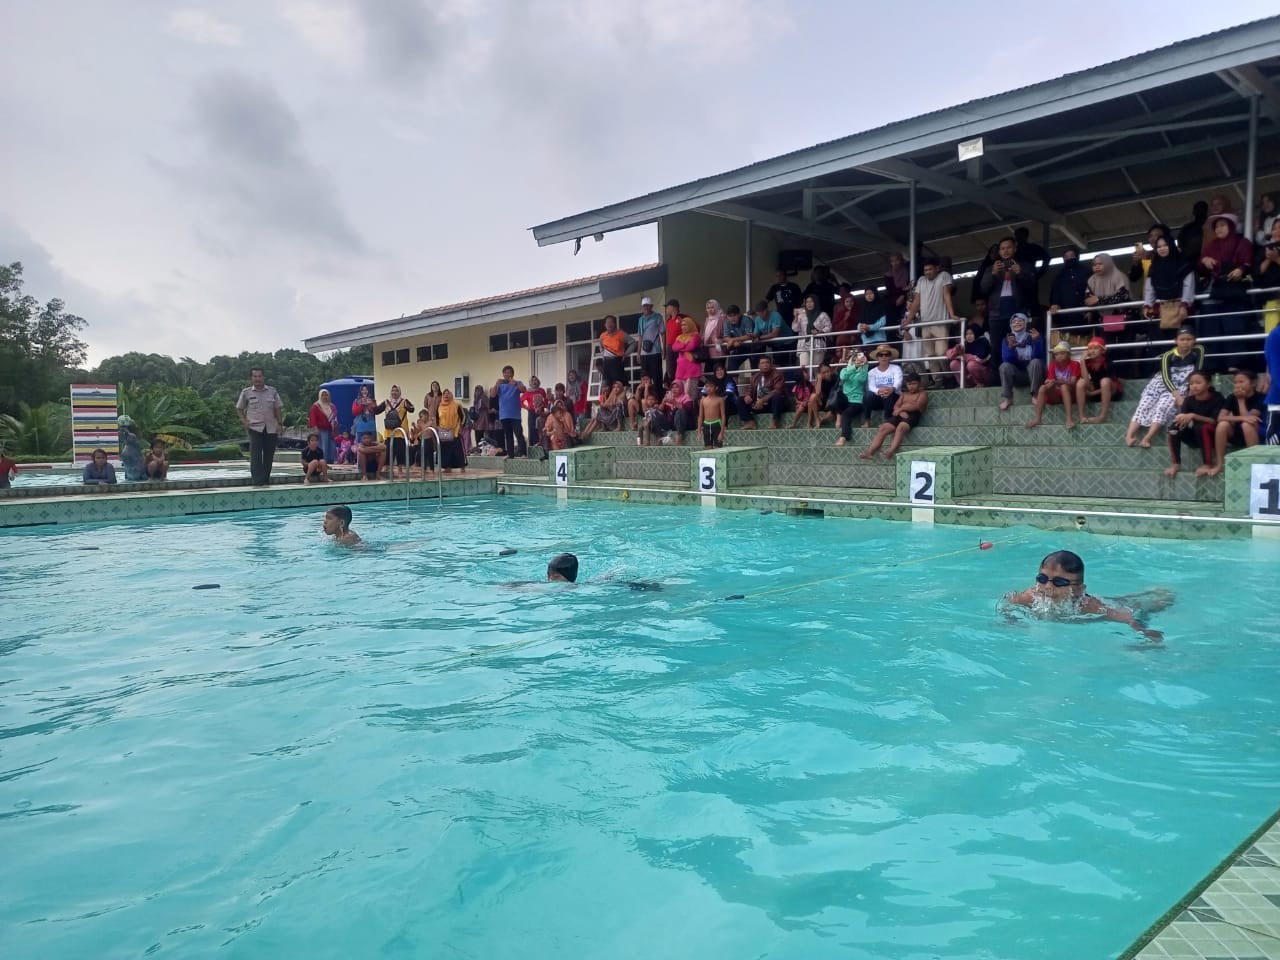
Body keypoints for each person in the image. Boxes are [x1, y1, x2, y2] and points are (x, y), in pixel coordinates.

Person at [1001, 550, 1168, 642]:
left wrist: (1143, 633)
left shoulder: (1090, 606)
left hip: (1109, 604)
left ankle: (1158, 595)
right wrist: (1011, 620)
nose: (1048, 587)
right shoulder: (1031, 596)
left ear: (1080, 589)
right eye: (1042, 579)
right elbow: (1008, 601)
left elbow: (1127, 617)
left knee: (1138, 605)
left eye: (1059, 582)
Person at [1126, 326, 1206, 447]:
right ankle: (1129, 436)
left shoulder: (1198, 350)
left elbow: (1197, 371)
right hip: (1162, 384)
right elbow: (1166, 377)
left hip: (1182, 384)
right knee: (1144, 405)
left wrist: (1189, 392)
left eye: (1189, 339)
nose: (1185, 342)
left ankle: (1147, 438)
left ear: (1194, 340)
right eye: (1182, 339)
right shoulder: (1168, 355)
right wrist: (1178, 396)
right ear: (1176, 341)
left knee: (1163, 406)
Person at [1198, 213, 1255, 373]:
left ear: (1231, 227)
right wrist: (1204, 261)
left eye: (1223, 225)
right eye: (1216, 226)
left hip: (1235, 291)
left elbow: (1248, 262)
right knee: (1212, 329)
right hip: (1217, 290)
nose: (1219, 229)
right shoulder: (1211, 245)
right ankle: (1213, 366)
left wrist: (1241, 269)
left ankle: (1235, 363)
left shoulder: (1242, 243)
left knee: (1234, 327)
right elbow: (1201, 267)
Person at [906, 257, 958, 385]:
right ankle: (938, 381)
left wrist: (952, 314)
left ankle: (948, 376)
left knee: (941, 353)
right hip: (925, 323)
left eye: (930, 269)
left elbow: (947, 294)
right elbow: (916, 301)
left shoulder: (944, 276)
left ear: (937, 268)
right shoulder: (921, 280)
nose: (927, 272)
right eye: (925, 270)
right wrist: (908, 320)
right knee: (930, 355)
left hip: (941, 322)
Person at [979, 236, 1038, 347]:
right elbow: (984, 289)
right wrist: (993, 274)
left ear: (1015, 249)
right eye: (1002, 248)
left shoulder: (1025, 266)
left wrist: (1020, 272)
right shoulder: (991, 268)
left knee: (1021, 344)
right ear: (999, 251)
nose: (1005, 251)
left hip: (1018, 312)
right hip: (996, 314)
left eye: (1009, 247)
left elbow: (1031, 286)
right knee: (996, 347)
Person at [1166, 370, 1225, 479]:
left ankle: (1207, 464)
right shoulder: (1188, 400)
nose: (1194, 386)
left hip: (1214, 436)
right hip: (1195, 437)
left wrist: (1193, 416)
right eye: (1191, 384)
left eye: (1198, 383)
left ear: (1208, 384)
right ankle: (1176, 464)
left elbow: (1215, 421)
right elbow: (1183, 419)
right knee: (1173, 428)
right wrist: (1180, 419)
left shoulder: (1217, 398)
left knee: (1201, 427)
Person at [860, 372, 927, 459]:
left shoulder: (922, 394)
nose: (911, 386)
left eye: (914, 384)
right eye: (909, 384)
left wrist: (901, 409)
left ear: (919, 383)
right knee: (884, 428)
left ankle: (890, 451)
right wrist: (899, 411)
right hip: (899, 414)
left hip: (912, 416)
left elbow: (917, 406)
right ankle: (870, 452)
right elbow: (896, 406)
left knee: (901, 427)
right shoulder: (904, 394)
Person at [236, 366, 284, 485]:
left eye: (259, 376)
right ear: (251, 378)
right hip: (254, 427)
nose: (257, 379)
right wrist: (245, 422)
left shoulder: (272, 391)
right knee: (256, 455)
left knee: (269, 455)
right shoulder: (246, 392)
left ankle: (265, 479)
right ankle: (257, 481)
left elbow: (277, 408)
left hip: (271, 427)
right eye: (255, 376)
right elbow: (239, 408)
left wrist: (280, 423)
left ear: (263, 377)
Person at [1211, 370, 1265, 475]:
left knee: (1247, 424)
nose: (1238, 385)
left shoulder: (1260, 398)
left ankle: (1254, 463)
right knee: (1222, 425)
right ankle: (1220, 464)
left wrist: (1240, 401)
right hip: (1237, 433)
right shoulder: (1232, 397)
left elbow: (1250, 419)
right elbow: (1220, 418)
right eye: (1236, 382)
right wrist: (1240, 418)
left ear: (1253, 383)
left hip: (1255, 434)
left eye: (1241, 382)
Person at [1142, 236, 1195, 333]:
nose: (1162, 249)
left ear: (1171, 245)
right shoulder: (1154, 266)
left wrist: (1185, 305)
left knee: (1183, 340)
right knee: (1164, 343)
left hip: (1182, 310)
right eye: (1159, 247)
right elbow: (1150, 288)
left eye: (1165, 245)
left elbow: (1188, 286)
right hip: (1162, 312)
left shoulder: (1183, 263)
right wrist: (1148, 305)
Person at [1026, 343, 1082, 429]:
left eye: (1062, 353)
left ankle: (1069, 419)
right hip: (1056, 396)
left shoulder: (1075, 364)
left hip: (1070, 395)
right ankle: (1037, 419)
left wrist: (1056, 382)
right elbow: (1050, 381)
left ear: (1069, 354)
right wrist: (1048, 384)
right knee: (1042, 388)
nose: (1059, 356)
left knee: (1064, 387)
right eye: (1056, 354)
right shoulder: (1053, 365)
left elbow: (1073, 382)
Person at [997, 314, 1045, 411]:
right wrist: (1011, 348)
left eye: (1020, 320)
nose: (1017, 322)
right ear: (1010, 325)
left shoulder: (1033, 336)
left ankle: (1035, 395)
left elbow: (1039, 357)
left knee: (1036, 362)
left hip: (1034, 375)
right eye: (1014, 321)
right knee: (1004, 366)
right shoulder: (1006, 340)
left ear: (1026, 323)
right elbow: (1007, 360)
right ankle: (1008, 398)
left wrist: (1036, 341)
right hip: (1017, 376)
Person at [1076, 337, 1124, 424]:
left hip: (1112, 391)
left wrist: (1092, 393)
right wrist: (1082, 361)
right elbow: (1086, 380)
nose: (1092, 351)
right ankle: (1081, 416)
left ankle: (1102, 416)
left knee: (1104, 381)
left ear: (1102, 351)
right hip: (1096, 391)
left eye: (1096, 348)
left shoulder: (1108, 363)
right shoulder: (1088, 363)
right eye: (1090, 349)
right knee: (1080, 382)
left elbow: (1111, 383)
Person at [375, 385, 415, 479]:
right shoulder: (386, 402)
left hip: (400, 432)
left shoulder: (404, 402)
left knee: (400, 451)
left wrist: (408, 406)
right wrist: (372, 404)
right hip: (389, 432)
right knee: (388, 450)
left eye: (396, 390)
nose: (394, 392)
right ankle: (387, 468)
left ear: (400, 392)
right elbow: (376, 411)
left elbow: (412, 409)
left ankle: (400, 469)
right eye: (392, 390)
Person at [491, 365, 528, 459]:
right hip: (504, 414)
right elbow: (492, 395)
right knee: (508, 435)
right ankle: (510, 454)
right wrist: (496, 385)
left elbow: (524, 390)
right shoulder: (501, 385)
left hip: (515, 414)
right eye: (506, 372)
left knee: (519, 434)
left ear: (512, 374)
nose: (507, 374)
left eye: (509, 372)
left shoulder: (517, 382)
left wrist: (515, 384)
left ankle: (523, 453)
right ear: (503, 374)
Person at [741, 356, 788, 429]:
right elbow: (749, 390)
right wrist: (747, 396)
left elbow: (777, 390)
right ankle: (750, 422)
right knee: (740, 400)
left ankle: (775, 422)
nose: (765, 365)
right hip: (758, 405)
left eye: (767, 363)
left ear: (771, 364)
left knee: (777, 397)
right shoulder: (755, 377)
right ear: (759, 366)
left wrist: (763, 400)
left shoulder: (777, 374)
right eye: (762, 363)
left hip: (772, 405)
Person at [834, 350, 869, 447]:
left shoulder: (863, 370)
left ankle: (843, 437)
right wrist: (854, 367)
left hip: (856, 401)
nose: (855, 361)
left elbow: (862, 379)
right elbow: (843, 377)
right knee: (839, 394)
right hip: (845, 400)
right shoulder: (845, 370)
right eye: (853, 360)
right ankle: (838, 416)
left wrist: (864, 365)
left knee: (847, 414)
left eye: (857, 359)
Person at [862, 345, 903, 427]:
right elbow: (871, 386)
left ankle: (888, 420)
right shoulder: (872, 372)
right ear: (877, 358)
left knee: (888, 394)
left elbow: (898, 382)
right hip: (878, 398)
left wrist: (891, 389)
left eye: (886, 354)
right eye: (881, 355)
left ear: (890, 357)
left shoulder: (896, 368)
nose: (884, 357)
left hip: (893, 397)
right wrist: (879, 391)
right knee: (867, 395)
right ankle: (867, 420)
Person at [431, 388, 468, 474]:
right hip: (444, 431)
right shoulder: (439, 407)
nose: (446, 395)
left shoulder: (457, 405)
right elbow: (437, 419)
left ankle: (462, 466)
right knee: (445, 450)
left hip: (455, 430)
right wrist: (438, 427)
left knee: (457, 450)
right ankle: (447, 467)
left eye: (448, 393)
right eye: (444, 394)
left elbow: (463, 417)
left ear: (451, 395)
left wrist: (460, 427)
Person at [1048, 245, 1091, 316]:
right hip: (1065, 314)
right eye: (1066, 256)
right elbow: (1055, 293)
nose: (1069, 258)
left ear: (1077, 256)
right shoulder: (1059, 275)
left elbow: (1092, 290)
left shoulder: (1086, 271)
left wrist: (1091, 310)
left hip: (1084, 313)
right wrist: (1055, 304)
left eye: (1071, 255)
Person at [672, 316, 703, 397]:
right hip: (680, 370)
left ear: (690, 325)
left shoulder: (695, 336)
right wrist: (684, 344)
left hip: (692, 369)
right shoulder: (679, 337)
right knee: (680, 394)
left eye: (685, 325)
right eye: (682, 325)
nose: (683, 327)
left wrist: (681, 347)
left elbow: (691, 346)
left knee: (689, 395)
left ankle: (691, 409)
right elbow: (674, 348)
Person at [637, 296, 665, 385]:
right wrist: (638, 353)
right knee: (645, 377)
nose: (645, 307)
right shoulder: (640, 319)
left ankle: (657, 396)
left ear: (651, 306)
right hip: (644, 353)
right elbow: (640, 336)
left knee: (656, 376)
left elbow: (663, 333)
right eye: (644, 306)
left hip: (655, 351)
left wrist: (664, 349)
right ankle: (646, 397)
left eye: (647, 305)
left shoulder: (657, 317)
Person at [308, 388, 340, 463]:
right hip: (321, 429)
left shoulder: (332, 406)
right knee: (323, 445)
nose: (324, 397)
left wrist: (335, 428)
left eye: (326, 395)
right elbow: (313, 418)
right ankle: (322, 460)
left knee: (331, 445)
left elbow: (335, 417)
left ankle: (331, 460)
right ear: (320, 396)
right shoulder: (316, 406)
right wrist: (315, 428)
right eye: (323, 395)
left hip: (330, 429)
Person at [598, 315, 630, 389]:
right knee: (606, 384)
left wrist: (625, 354)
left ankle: (622, 399)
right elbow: (601, 347)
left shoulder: (620, 334)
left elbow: (633, 343)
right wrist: (604, 356)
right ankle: (606, 399)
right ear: (605, 325)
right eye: (607, 322)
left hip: (617, 361)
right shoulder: (602, 335)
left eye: (611, 322)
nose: (609, 324)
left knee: (619, 383)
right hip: (607, 362)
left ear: (614, 324)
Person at [721, 304, 756, 371]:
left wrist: (733, 340)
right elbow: (725, 337)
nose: (732, 318)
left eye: (734, 315)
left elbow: (749, 336)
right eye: (730, 316)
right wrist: (733, 342)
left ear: (739, 314)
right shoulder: (727, 322)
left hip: (753, 346)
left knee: (755, 368)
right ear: (727, 316)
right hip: (741, 346)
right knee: (732, 362)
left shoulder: (746, 320)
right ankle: (733, 381)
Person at [663, 299, 689, 383]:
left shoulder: (682, 318)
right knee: (670, 370)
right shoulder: (668, 321)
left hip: (679, 347)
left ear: (673, 307)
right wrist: (665, 349)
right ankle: (672, 386)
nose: (666, 309)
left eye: (667, 307)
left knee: (680, 368)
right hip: (669, 347)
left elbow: (691, 330)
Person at [1176, 200, 1209, 266]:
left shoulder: (1213, 225)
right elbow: (1180, 243)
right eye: (1198, 209)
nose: (1200, 212)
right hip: (1190, 261)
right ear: (1194, 212)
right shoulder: (1186, 228)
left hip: (1209, 260)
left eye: (1202, 209)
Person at [697, 379, 726, 449]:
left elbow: (723, 415)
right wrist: (699, 431)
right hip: (706, 425)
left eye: (711, 386)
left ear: (716, 388)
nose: (708, 388)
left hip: (716, 424)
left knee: (717, 448)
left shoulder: (720, 400)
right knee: (707, 447)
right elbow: (700, 416)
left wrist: (722, 432)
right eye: (707, 386)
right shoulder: (702, 400)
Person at [701, 299, 727, 369]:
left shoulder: (722, 318)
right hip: (708, 350)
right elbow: (704, 333)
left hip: (718, 350)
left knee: (718, 371)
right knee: (708, 372)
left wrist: (721, 339)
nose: (710, 310)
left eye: (712, 307)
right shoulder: (707, 320)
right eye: (708, 308)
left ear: (717, 307)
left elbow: (726, 332)